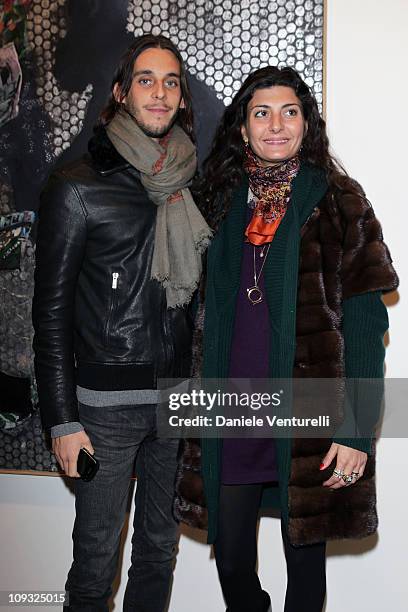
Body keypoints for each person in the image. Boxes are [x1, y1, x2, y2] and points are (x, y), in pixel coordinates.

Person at [175, 66, 399, 612]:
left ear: (307, 123)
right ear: (242, 129)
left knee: (305, 568)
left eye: (290, 112)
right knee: (231, 560)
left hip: (309, 415)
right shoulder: (213, 201)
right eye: (261, 113)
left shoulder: (342, 202)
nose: (276, 125)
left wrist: (357, 431)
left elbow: (368, 326)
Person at [32, 34, 211, 612]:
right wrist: (62, 421)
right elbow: (51, 314)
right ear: (119, 92)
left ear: (181, 97)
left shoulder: (189, 183)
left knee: (159, 552)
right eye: (145, 80)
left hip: (175, 399)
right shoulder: (77, 186)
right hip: (103, 412)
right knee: (95, 564)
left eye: (170, 82)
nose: (159, 93)